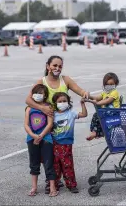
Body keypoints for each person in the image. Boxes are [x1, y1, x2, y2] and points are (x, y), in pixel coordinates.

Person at [25, 55, 90, 193]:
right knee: (49, 157)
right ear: (48, 66)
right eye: (54, 65)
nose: (57, 68)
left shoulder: (65, 80)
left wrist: (88, 95)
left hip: (62, 125)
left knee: (63, 157)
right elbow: (28, 99)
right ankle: (52, 181)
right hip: (47, 125)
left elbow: (80, 91)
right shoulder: (41, 81)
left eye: (60, 66)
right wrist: (43, 108)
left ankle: (65, 181)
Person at [24, 84, 58, 197]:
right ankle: (34, 187)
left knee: (49, 162)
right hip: (32, 139)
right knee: (34, 163)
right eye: (36, 93)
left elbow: (50, 124)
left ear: (45, 95)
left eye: (41, 93)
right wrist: (33, 136)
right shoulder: (29, 108)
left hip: (46, 138)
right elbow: (26, 125)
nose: (38, 95)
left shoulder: (48, 107)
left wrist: (41, 135)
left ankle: (52, 186)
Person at [51, 92, 88, 194]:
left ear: (68, 102)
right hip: (54, 144)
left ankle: (71, 184)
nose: (62, 103)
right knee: (55, 165)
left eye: (64, 101)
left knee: (68, 164)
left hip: (67, 144)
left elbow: (84, 114)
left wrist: (82, 104)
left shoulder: (71, 113)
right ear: (55, 103)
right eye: (60, 101)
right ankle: (55, 184)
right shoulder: (52, 114)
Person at [87, 72, 120, 141]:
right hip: (106, 112)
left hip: (113, 113)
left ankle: (98, 133)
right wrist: (89, 97)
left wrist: (98, 103)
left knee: (102, 119)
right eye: (107, 84)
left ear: (115, 84)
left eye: (111, 84)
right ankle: (95, 132)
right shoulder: (104, 92)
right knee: (97, 116)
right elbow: (97, 98)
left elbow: (108, 100)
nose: (109, 86)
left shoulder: (115, 92)